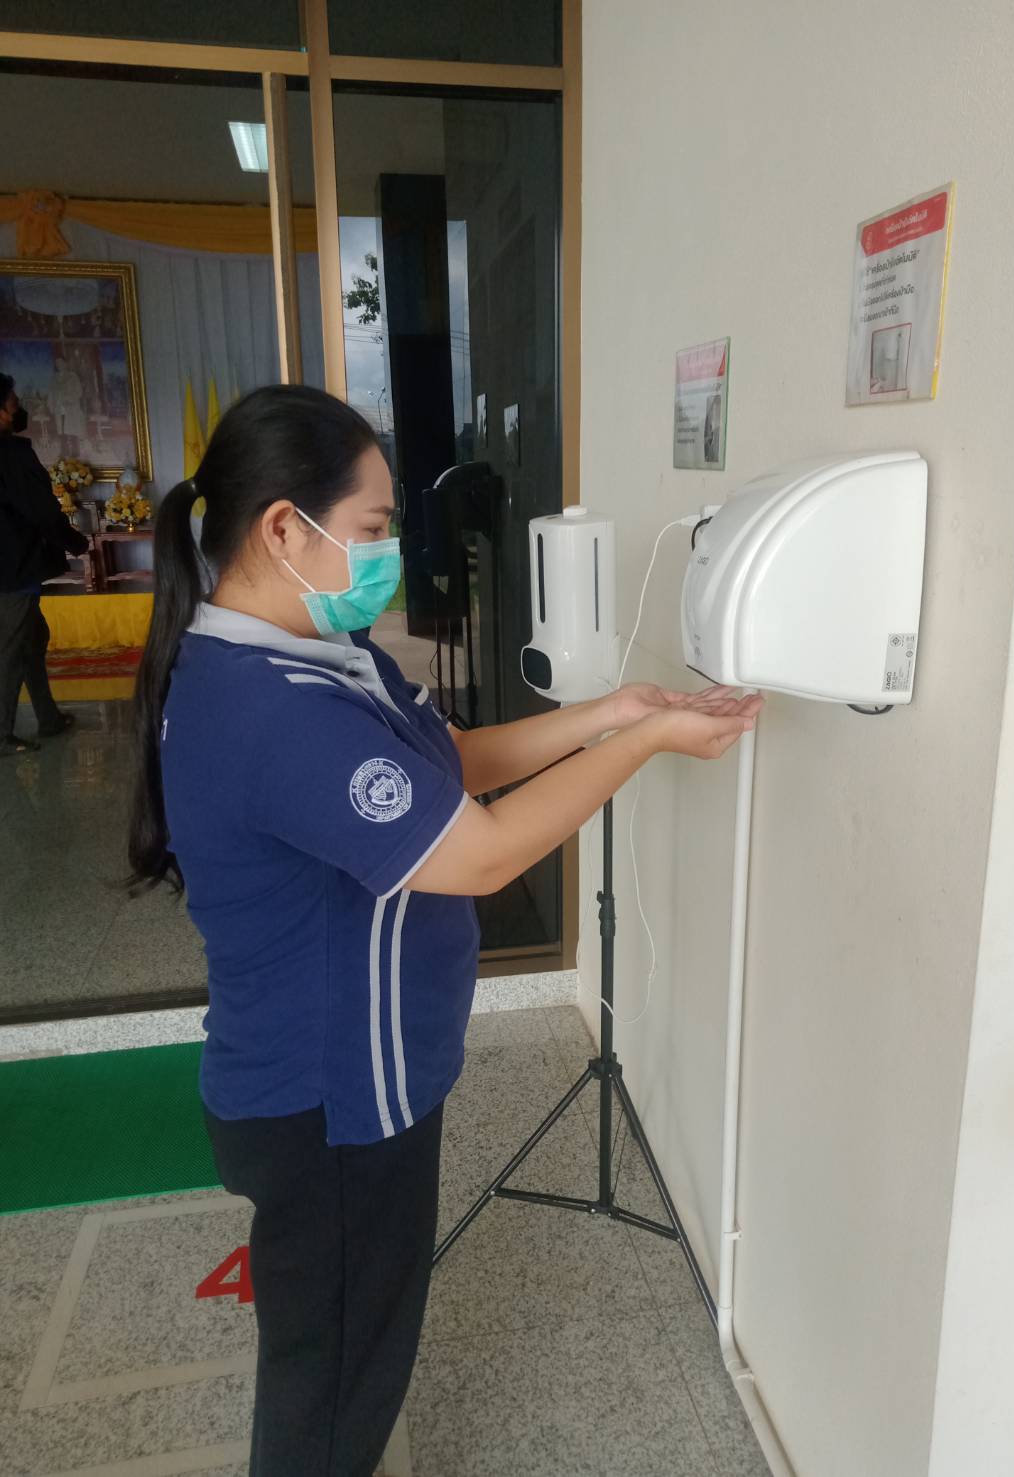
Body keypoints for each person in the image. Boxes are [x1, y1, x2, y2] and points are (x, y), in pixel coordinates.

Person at [126, 383, 762, 1477]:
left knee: (344, 1353)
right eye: (371, 527)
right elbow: (482, 852)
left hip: (353, 1085)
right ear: (284, 528)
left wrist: (610, 712)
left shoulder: (324, 649)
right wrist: (648, 744)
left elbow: (449, 764)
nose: (387, 554)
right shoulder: (269, 706)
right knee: (331, 1387)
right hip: (328, 1104)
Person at [0, 372, 89, 757]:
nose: (18, 408)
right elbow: (41, 512)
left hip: (9, 568)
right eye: (12, 403)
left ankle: (48, 717)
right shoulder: (12, 454)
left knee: (33, 639)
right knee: (10, 650)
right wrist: (75, 542)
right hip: (13, 569)